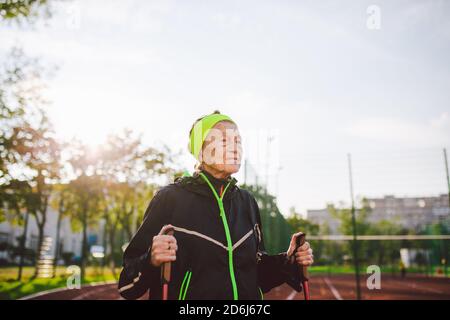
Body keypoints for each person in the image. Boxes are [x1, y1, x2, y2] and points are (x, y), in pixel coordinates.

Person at [118, 111, 314, 300]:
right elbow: (128, 284)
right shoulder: (169, 199)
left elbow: (255, 275)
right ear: (201, 151)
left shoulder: (247, 202)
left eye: (238, 141)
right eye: (224, 141)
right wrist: (151, 259)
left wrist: (289, 260)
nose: (235, 148)